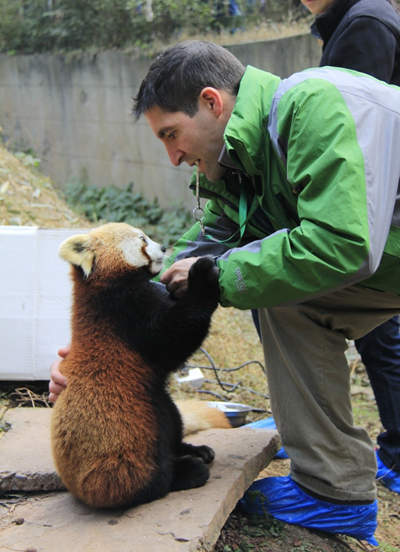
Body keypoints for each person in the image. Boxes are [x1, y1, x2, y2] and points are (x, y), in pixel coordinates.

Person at [50, 39, 400, 544]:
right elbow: (207, 248)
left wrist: (215, 278)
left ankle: (333, 489)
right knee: (280, 291)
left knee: (281, 290)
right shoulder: (238, 156)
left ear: (212, 103)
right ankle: (327, 469)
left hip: (376, 255)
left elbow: (341, 244)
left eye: (172, 135)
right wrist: (94, 356)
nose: (172, 157)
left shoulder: (312, 106)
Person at [286, 0, 400, 495]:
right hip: (384, 201)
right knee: (383, 334)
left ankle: (390, 458)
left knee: (380, 333)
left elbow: (358, 126)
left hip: (384, 204)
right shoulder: (354, 20)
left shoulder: (366, 26)